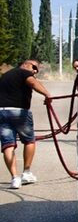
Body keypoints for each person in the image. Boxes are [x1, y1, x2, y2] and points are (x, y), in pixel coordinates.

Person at [0, 59, 52, 189]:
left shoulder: (6, 76)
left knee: (8, 144)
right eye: (34, 67)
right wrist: (47, 94)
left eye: (37, 70)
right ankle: (26, 172)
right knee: (29, 141)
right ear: (25, 64)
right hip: (19, 112)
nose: (35, 71)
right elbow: (32, 82)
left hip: (2, 112)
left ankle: (14, 178)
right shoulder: (23, 72)